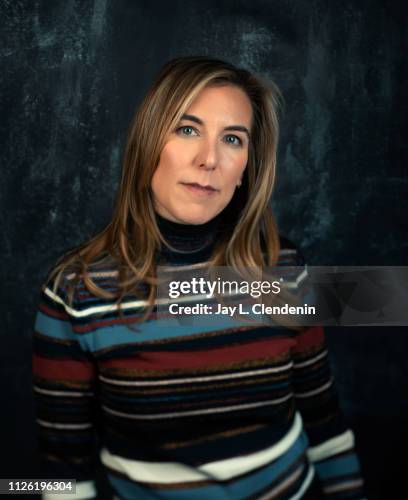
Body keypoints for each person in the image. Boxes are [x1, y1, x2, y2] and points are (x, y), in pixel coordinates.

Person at [32, 57, 366, 499]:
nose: (209, 159)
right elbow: (61, 475)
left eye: (232, 139)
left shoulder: (285, 270)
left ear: (246, 166)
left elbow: (325, 424)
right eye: (187, 129)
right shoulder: (75, 291)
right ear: (149, 143)